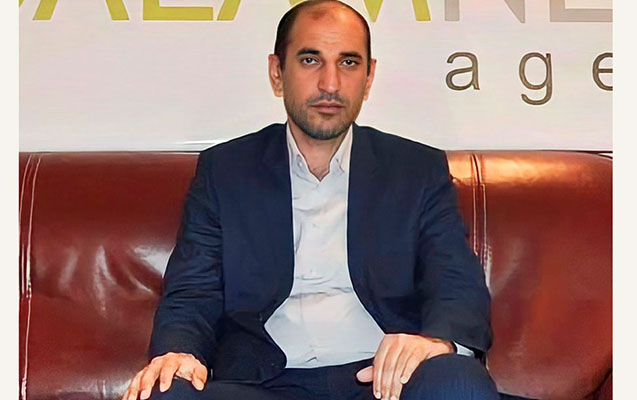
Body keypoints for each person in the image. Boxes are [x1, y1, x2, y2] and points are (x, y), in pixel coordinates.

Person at [122, 1, 499, 399]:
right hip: (261, 384)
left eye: (348, 63)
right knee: (166, 391)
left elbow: (455, 281)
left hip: (384, 381)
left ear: (369, 77)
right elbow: (193, 291)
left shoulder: (416, 170)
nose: (330, 84)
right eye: (310, 60)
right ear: (277, 73)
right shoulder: (225, 171)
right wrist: (178, 351)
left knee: (457, 379)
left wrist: (437, 342)